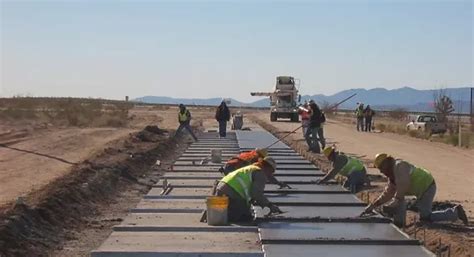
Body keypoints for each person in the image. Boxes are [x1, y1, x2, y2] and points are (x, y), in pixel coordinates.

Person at [362, 153, 468, 227]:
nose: (381, 171)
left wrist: (396, 200)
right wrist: (373, 205)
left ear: (386, 163)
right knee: (399, 199)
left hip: (427, 186)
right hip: (420, 190)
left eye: (381, 168)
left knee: (425, 218)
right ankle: (399, 223)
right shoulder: (392, 176)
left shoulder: (399, 166)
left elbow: (404, 184)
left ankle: (455, 212)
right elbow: (388, 193)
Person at [215, 157, 283, 222]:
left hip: (221, 186)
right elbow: (256, 193)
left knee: (246, 210)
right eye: (271, 172)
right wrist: (269, 205)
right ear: (268, 168)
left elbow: (251, 190)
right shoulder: (260, 174)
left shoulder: (252, 168)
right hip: (231, 191)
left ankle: (215, 212)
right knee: (244, 217)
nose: (270, 174)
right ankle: (217, 214)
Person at [219, 148, 291, 188]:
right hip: (232, 168)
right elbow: (267, 175)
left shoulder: (251, 155)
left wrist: (278, 183)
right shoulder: (255, 161)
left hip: (228, 166)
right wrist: (278, 183)